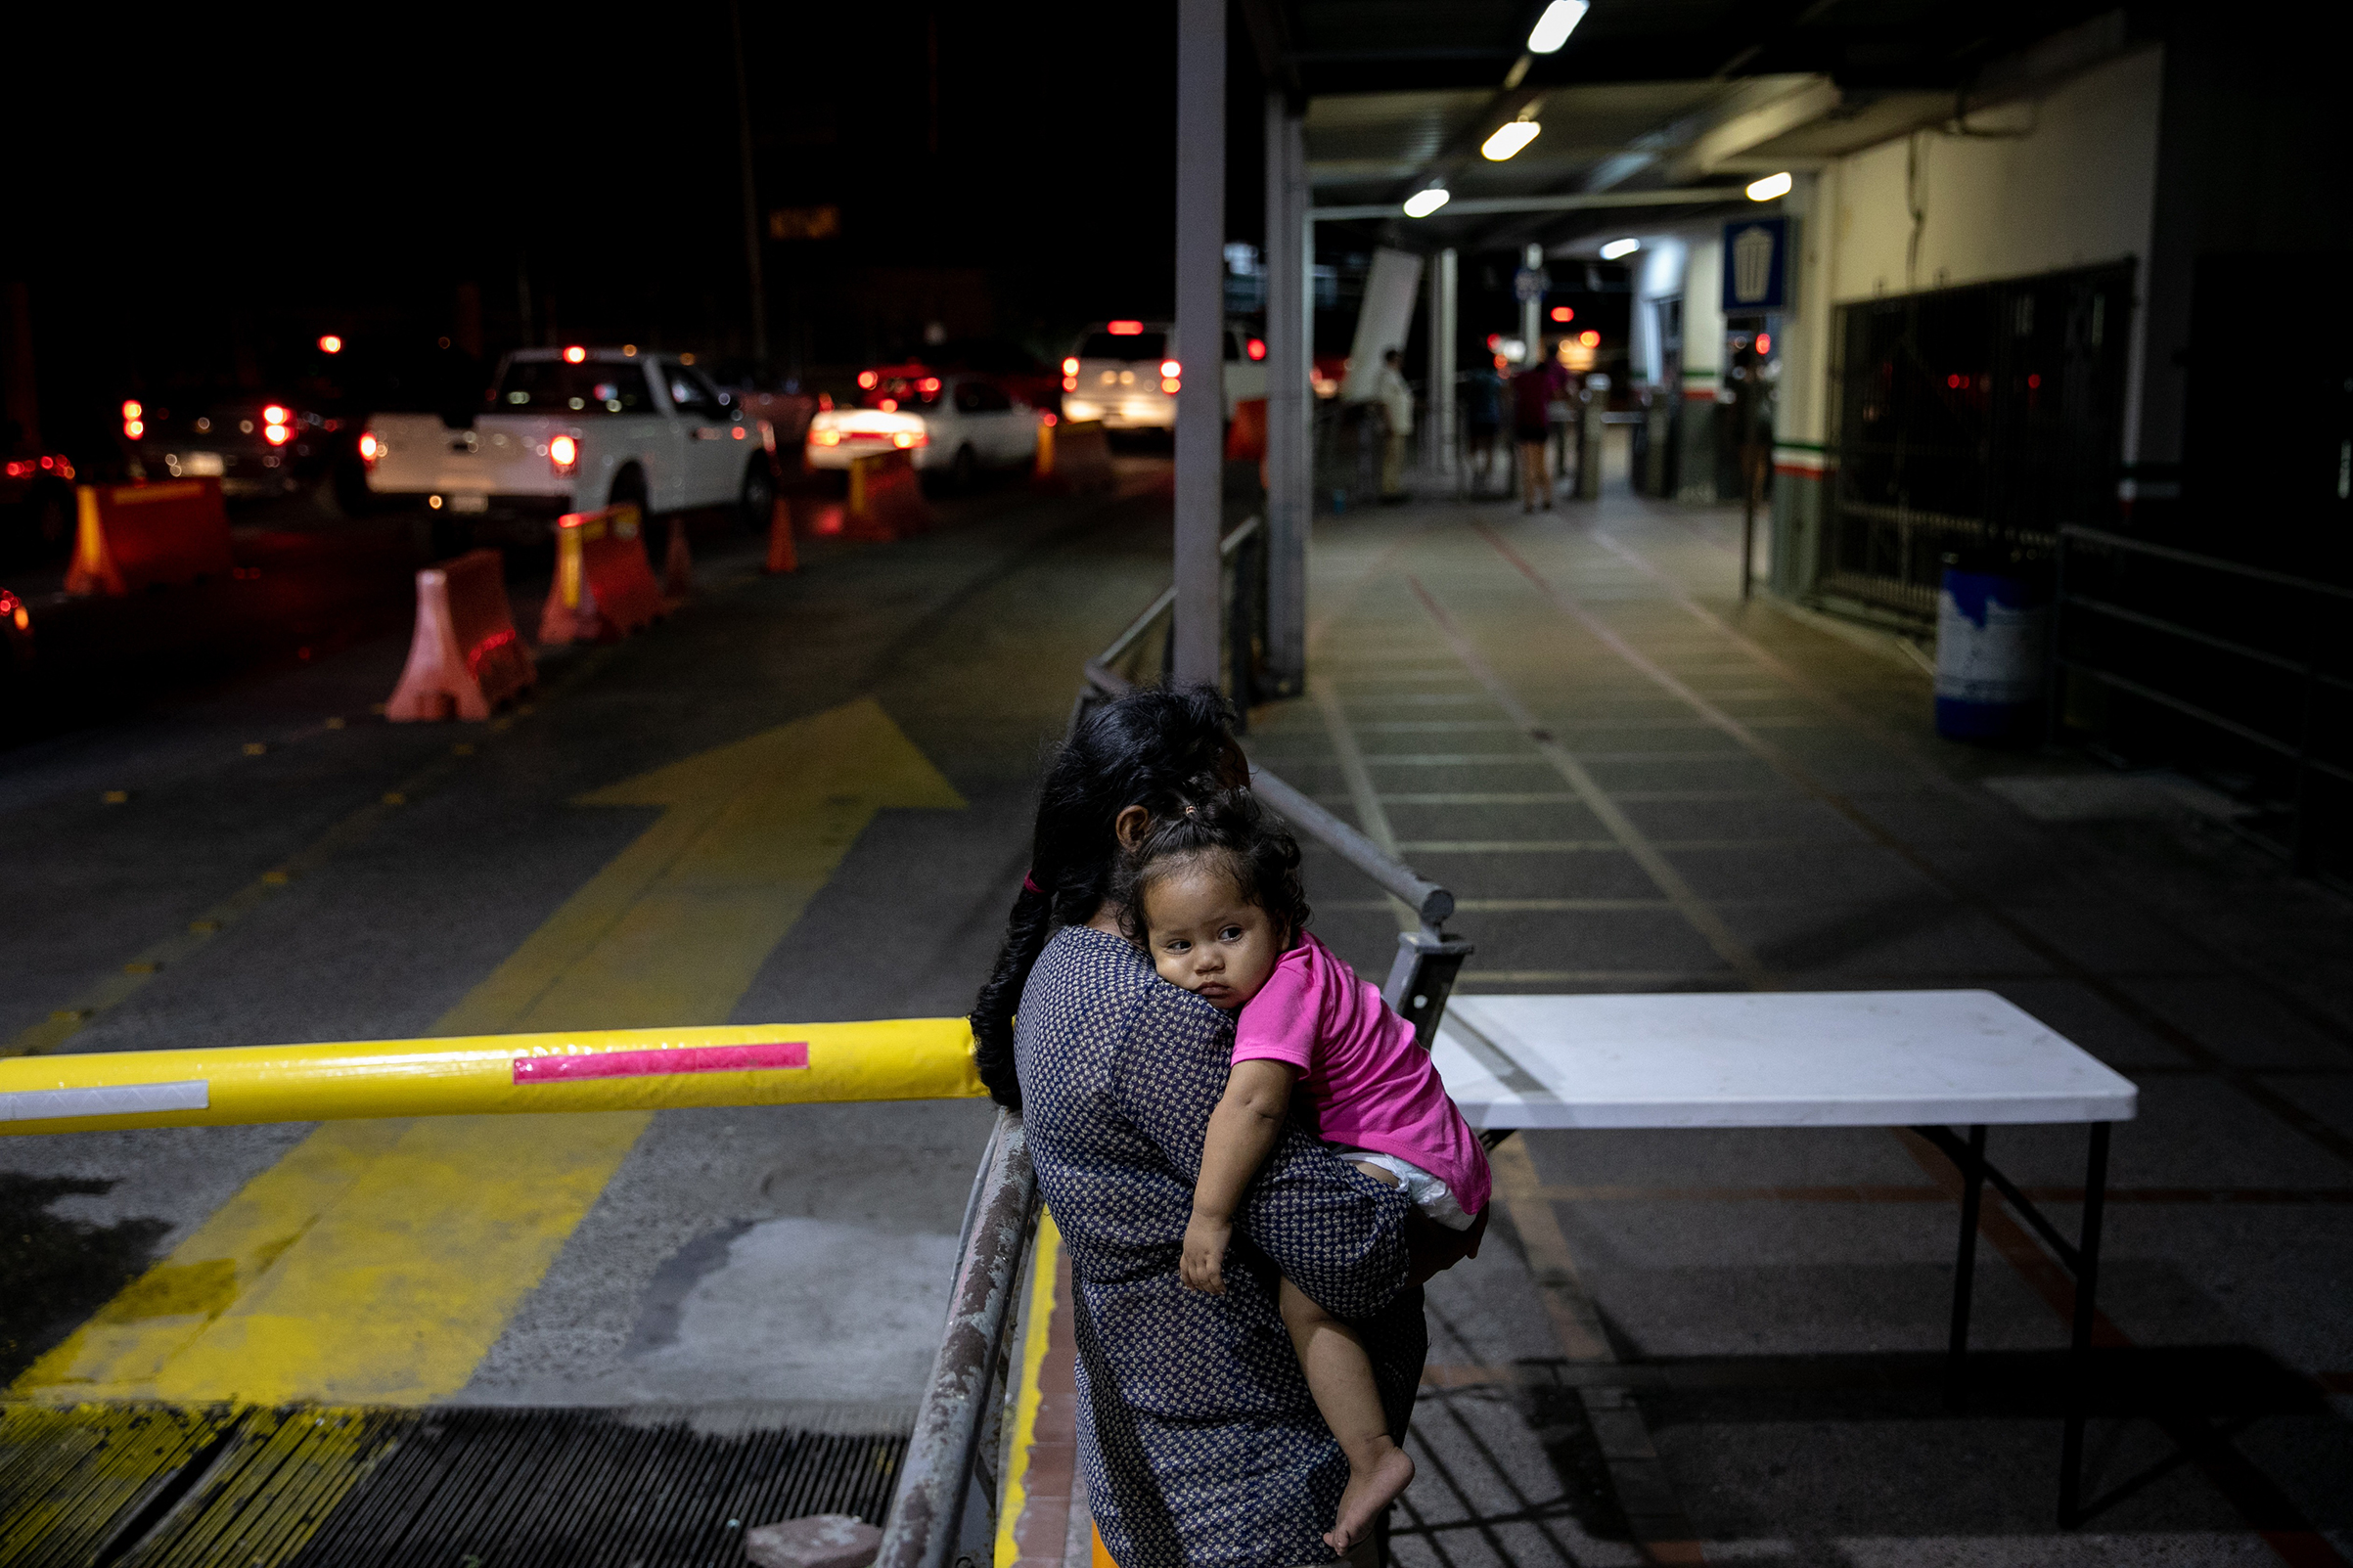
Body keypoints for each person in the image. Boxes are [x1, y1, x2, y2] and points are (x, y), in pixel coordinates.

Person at [974, 685, 1434, 1568]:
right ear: (1138, 830)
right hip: (1241, 1462)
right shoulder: (1157, 1020)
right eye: (1229, 805)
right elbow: (1343, 1248)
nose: (1249, 834)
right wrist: (1425, 1199)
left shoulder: (1062, 965)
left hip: (1158, 1423)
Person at [1117, 792, 1489, 1554]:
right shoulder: (1293, 965)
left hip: (1406, 1157)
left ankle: (1372, 1454)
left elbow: (1252, 1105)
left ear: (1281, 924)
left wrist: (1209, 1216)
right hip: (1432, 1149)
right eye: (1177, 944)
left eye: (1229, 932)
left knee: (1307, 1300)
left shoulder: (1281, 991)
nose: (1206, 960)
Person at [1511, 356, 1562, 513]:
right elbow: (1556, 395)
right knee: (1541, 464)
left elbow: (1509, 389)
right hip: (1541, 424)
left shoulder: (1523, 377)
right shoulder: (1547, 379)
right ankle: (1546, 499)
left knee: (1528, 465)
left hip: (1523, 424)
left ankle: (1530, 502)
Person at [1374, 348, 1414, 502]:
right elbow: (1383, 402)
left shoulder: (1395, 376)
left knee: (1397, 458)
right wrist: (1388, 424)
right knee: (1391, 458)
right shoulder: (1386, 376)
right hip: (1393, 425)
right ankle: (1388, 491)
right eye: (1397, 359)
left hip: (1400, 424)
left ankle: (1394, 488)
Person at [1460, 363, 1502, 494]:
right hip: (1491, 417)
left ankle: (1477, 471)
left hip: (1475, 417)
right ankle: (1485, 476)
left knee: (1473, 448)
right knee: (1489, 449)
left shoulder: (1473, 376)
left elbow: (1466, 394)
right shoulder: (1494, 378)